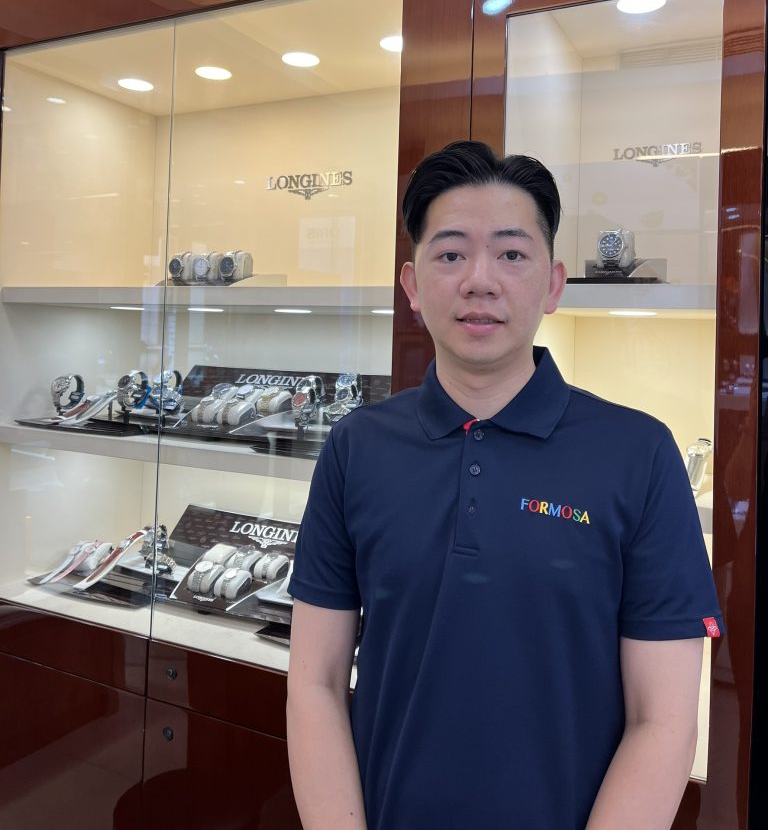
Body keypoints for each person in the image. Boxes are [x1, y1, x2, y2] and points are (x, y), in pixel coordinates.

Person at [286, 140, 723, 830]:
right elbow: (315, 681)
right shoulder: (356, 447)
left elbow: (662, 720)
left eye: (512, 254)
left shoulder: (638, 453)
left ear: (553, 284)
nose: (480, 281)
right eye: (451, 254)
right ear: (412, 286)